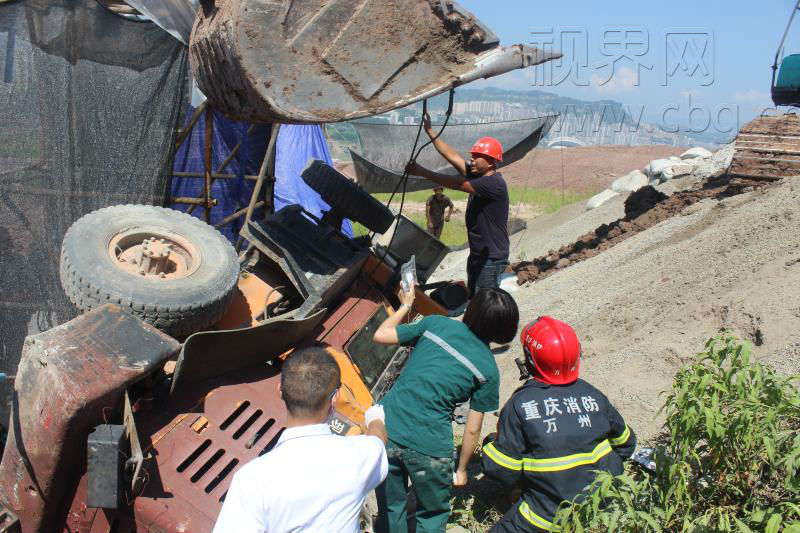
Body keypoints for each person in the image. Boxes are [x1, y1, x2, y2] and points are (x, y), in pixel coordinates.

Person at [372, 285, 519, 533]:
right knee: (431, 515)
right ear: (505, 329)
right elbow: (472, 429)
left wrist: (406, 304)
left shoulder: (436, 324)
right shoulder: (488, 369)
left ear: (471, 309)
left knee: (391, 508)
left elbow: (381, 334)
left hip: (388, 430)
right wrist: (461, 470)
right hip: (429, 447)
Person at [481, 317, 636, 533]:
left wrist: (489, 444)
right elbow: (627, 444)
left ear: (531, 361)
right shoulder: (592, 395)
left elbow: (503, 470)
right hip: (605, 502)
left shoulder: (521, 404)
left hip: (547, 515)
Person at [213, 347, 389, 533]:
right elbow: (378, 440)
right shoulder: (357, 456)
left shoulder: (251, 480)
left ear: (280, 391)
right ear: (334, 399)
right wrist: (375, 418)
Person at [407, 114, 509, 296]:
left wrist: (422, 171)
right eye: (473, 155)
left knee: (483, 304)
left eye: (478, 156)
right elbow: (451, 155)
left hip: (490, 259)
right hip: (479, 255)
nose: (472, 159)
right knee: (475, 299)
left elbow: (456, 184)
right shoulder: (480, 175)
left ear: (492, 162)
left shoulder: (493, 183)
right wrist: (430, 131)